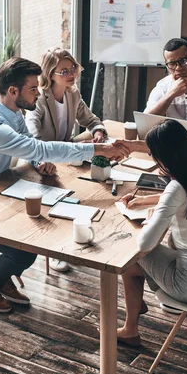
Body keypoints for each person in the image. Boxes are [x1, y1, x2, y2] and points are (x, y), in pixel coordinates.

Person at [0, 57, 128, 313]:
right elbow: (38, 146)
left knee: (43, 224)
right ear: (13, 91)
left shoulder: (10, 110)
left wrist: (38, 161)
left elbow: (30, 146)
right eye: (33, 89)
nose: (38, 92)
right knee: (26, 246)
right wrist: (100, 149)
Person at [116, 119, 187, 347]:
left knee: (130, 252)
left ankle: (130, 326)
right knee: (133, 267)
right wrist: (149, 203)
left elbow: (146, 244)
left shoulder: (176, 187)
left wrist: (150, 220)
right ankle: (133, 317)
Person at [25, 48, 107, 272]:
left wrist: (97, 130)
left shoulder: (73, 93)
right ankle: (57, 250)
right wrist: (42, 160)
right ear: (50, 74)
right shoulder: (39, 99)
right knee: (66, 200)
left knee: (87, 195)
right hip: (43, 164)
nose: (71, 74)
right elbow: (31, 137)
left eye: (73, 68)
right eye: (64, 71)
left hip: (65, 160)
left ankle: (68, 243)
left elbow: (90, 119)